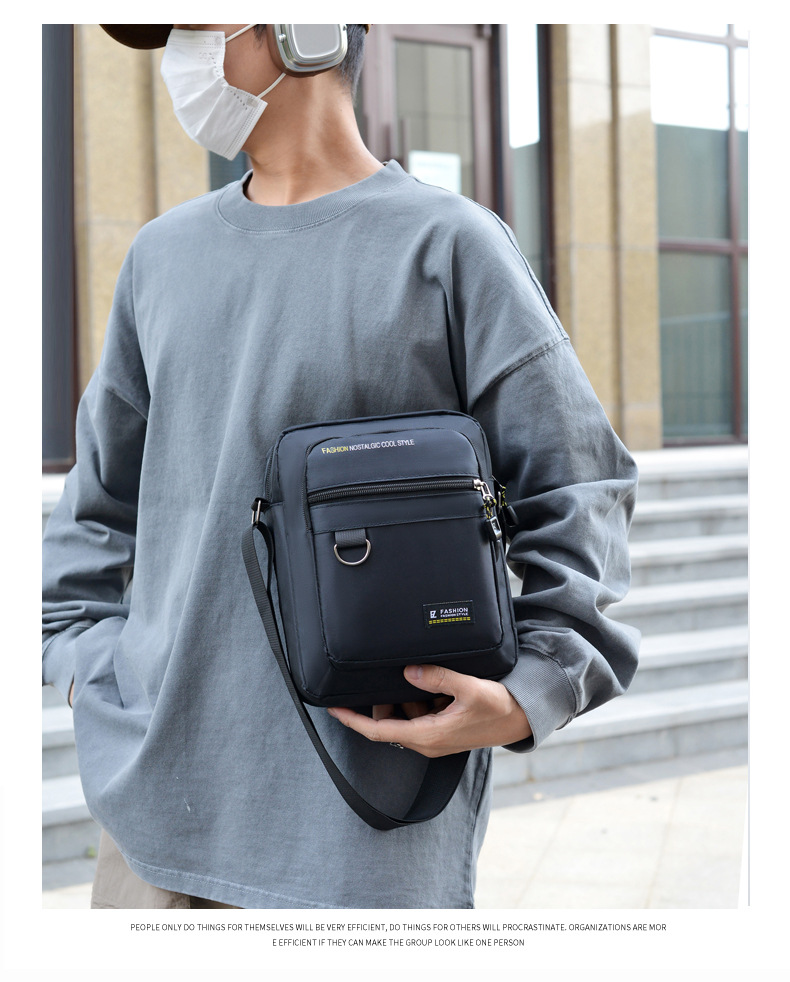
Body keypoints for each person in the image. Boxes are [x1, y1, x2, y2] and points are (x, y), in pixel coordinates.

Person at [42, 23, 640, 910]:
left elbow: (580, 484)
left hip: (366, 839)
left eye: (196, 25)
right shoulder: (158, 259)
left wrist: (532, 689)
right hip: (152, 838)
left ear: (305, 28)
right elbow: (95, 507)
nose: (178, 58)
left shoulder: (451, 246)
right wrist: (95, 669)